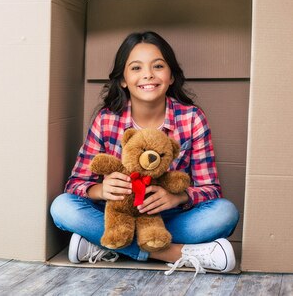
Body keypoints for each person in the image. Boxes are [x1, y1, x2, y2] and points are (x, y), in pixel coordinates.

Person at [50, 31, 239, 276]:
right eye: (136, 68)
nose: (148, 74)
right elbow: (75, 185)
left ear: (171, 76)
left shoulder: (192, 118)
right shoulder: (107, 119)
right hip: (117, 216)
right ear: (123, 80)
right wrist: (100, 190)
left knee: (225, 213)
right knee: (62, 207)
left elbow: (211, 189)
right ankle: (175, 254)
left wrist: (177, 198)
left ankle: (106, 247)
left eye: (158, 66)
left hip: (169, 220)